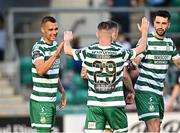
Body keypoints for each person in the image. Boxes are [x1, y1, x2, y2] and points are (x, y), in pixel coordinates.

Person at [63, 17, 149, 132]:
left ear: (97, 34)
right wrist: (144, 32)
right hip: (115, 104)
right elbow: (142, 48)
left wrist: (67, 39)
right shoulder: (120, 51)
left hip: (95, 104)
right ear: (112, 34)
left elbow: (67, 50)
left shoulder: (88, 51)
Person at [130, 10, 180, 132]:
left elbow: (178, 63)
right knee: (155, 127)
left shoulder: (170, 43)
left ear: (168, 25)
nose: (160, 26)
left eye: (164, 23)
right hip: (145, 90)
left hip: (158, 92)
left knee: (154, 129)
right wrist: (133, 63)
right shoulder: (146, 41)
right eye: (158, 22)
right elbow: (135, 61)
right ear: (154, 23)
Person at [29, 16, 66, 132]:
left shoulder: (55, 45)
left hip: (51, 100)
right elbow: (41, 70)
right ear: (42, 30)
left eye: (56, 29)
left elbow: (53, 73)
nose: (54, 32)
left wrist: (62, 91)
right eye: (50, 29)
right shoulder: (38, 48)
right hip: (41, 101)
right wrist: (55, 54)